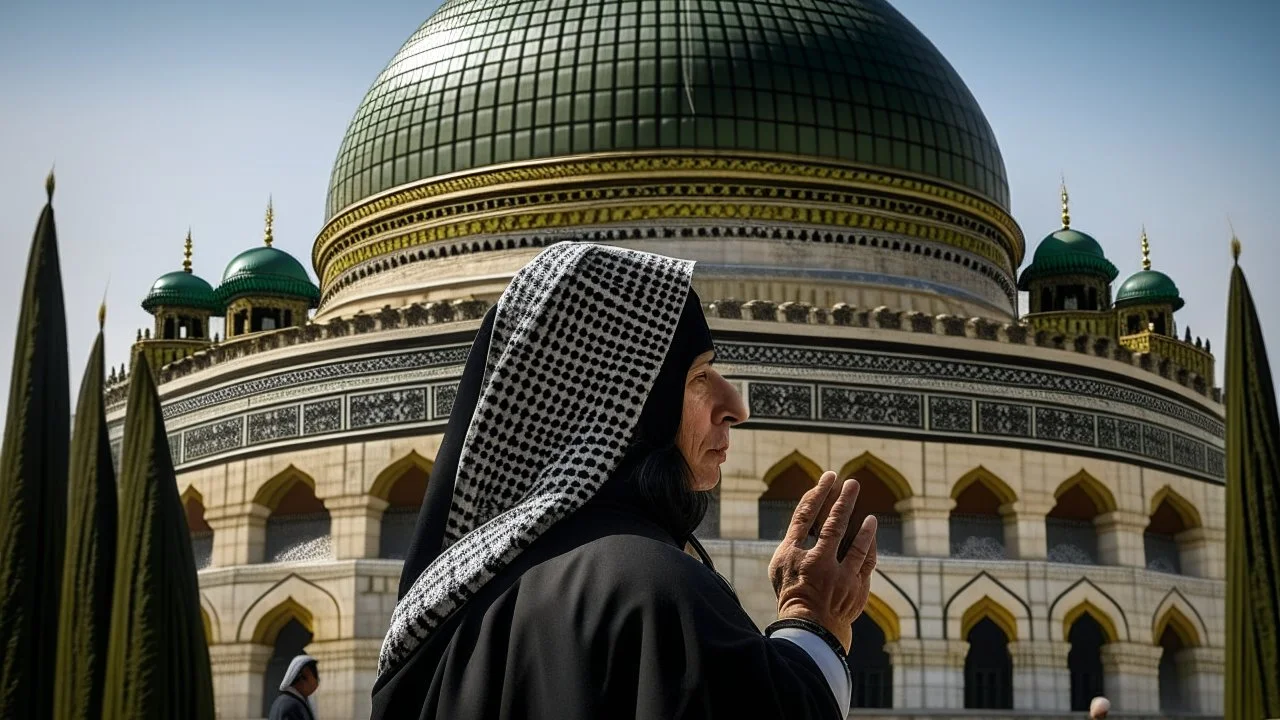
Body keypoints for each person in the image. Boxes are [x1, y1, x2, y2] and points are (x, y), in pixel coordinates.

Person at [372, 244, 879, 719]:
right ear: (624, 408)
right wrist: (813, 618)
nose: (736, 407)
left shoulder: (446, 613)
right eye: (699, 377)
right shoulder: (651, 590)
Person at [268, 655, 319, 720]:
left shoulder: (286, 701)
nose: (317, 682)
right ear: (306, 673)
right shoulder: (291, 705)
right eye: (316, 676)